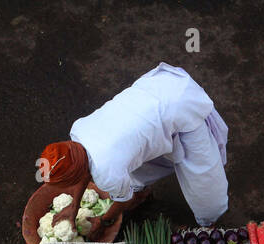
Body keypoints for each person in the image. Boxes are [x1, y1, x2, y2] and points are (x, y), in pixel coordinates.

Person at [38, 63, 229, 230]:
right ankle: (142, 193)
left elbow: (124, 199)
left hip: (179, 105)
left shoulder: (107, 173)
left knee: (204, 181)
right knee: (134, 162)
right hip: (152, 91)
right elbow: (82, 169)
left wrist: (103, 220)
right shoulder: (78, 131)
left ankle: (209, 224)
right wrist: (74, 206)